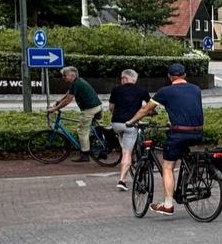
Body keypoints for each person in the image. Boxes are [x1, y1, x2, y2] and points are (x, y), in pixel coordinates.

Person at [124, 63, 205, 217]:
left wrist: (131, 121)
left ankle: (168, 205)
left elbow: (145, 109)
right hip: (198, 132)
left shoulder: (165, 91)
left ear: (169, 77)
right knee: (183, 151)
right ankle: (189, 176)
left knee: (167, 166)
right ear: (185, 75)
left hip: (179, 133)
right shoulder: (196, 89)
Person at [46, 66, 105, 163]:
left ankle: (85, 154)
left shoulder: (77, 83)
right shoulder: (78, 82)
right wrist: (58, 101)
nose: (63, 77)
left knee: (82, 130)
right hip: (97, 107)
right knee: (93, 128)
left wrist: (54, 109)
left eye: (65, 75)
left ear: (72, 75)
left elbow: (68, 100)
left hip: (90, 109)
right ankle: (98, 143)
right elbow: (69, 93)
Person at [107, 69, 150, 190]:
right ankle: (122, 180)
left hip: (116, 124)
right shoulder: (142, 91)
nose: (121, 80)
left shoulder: (116, 90)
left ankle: (124, 153)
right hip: (130, 125)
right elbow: (149, 107)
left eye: (122, 78)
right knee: (127, 152)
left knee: (124, 145)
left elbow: (111, 107)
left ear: (125, 78)